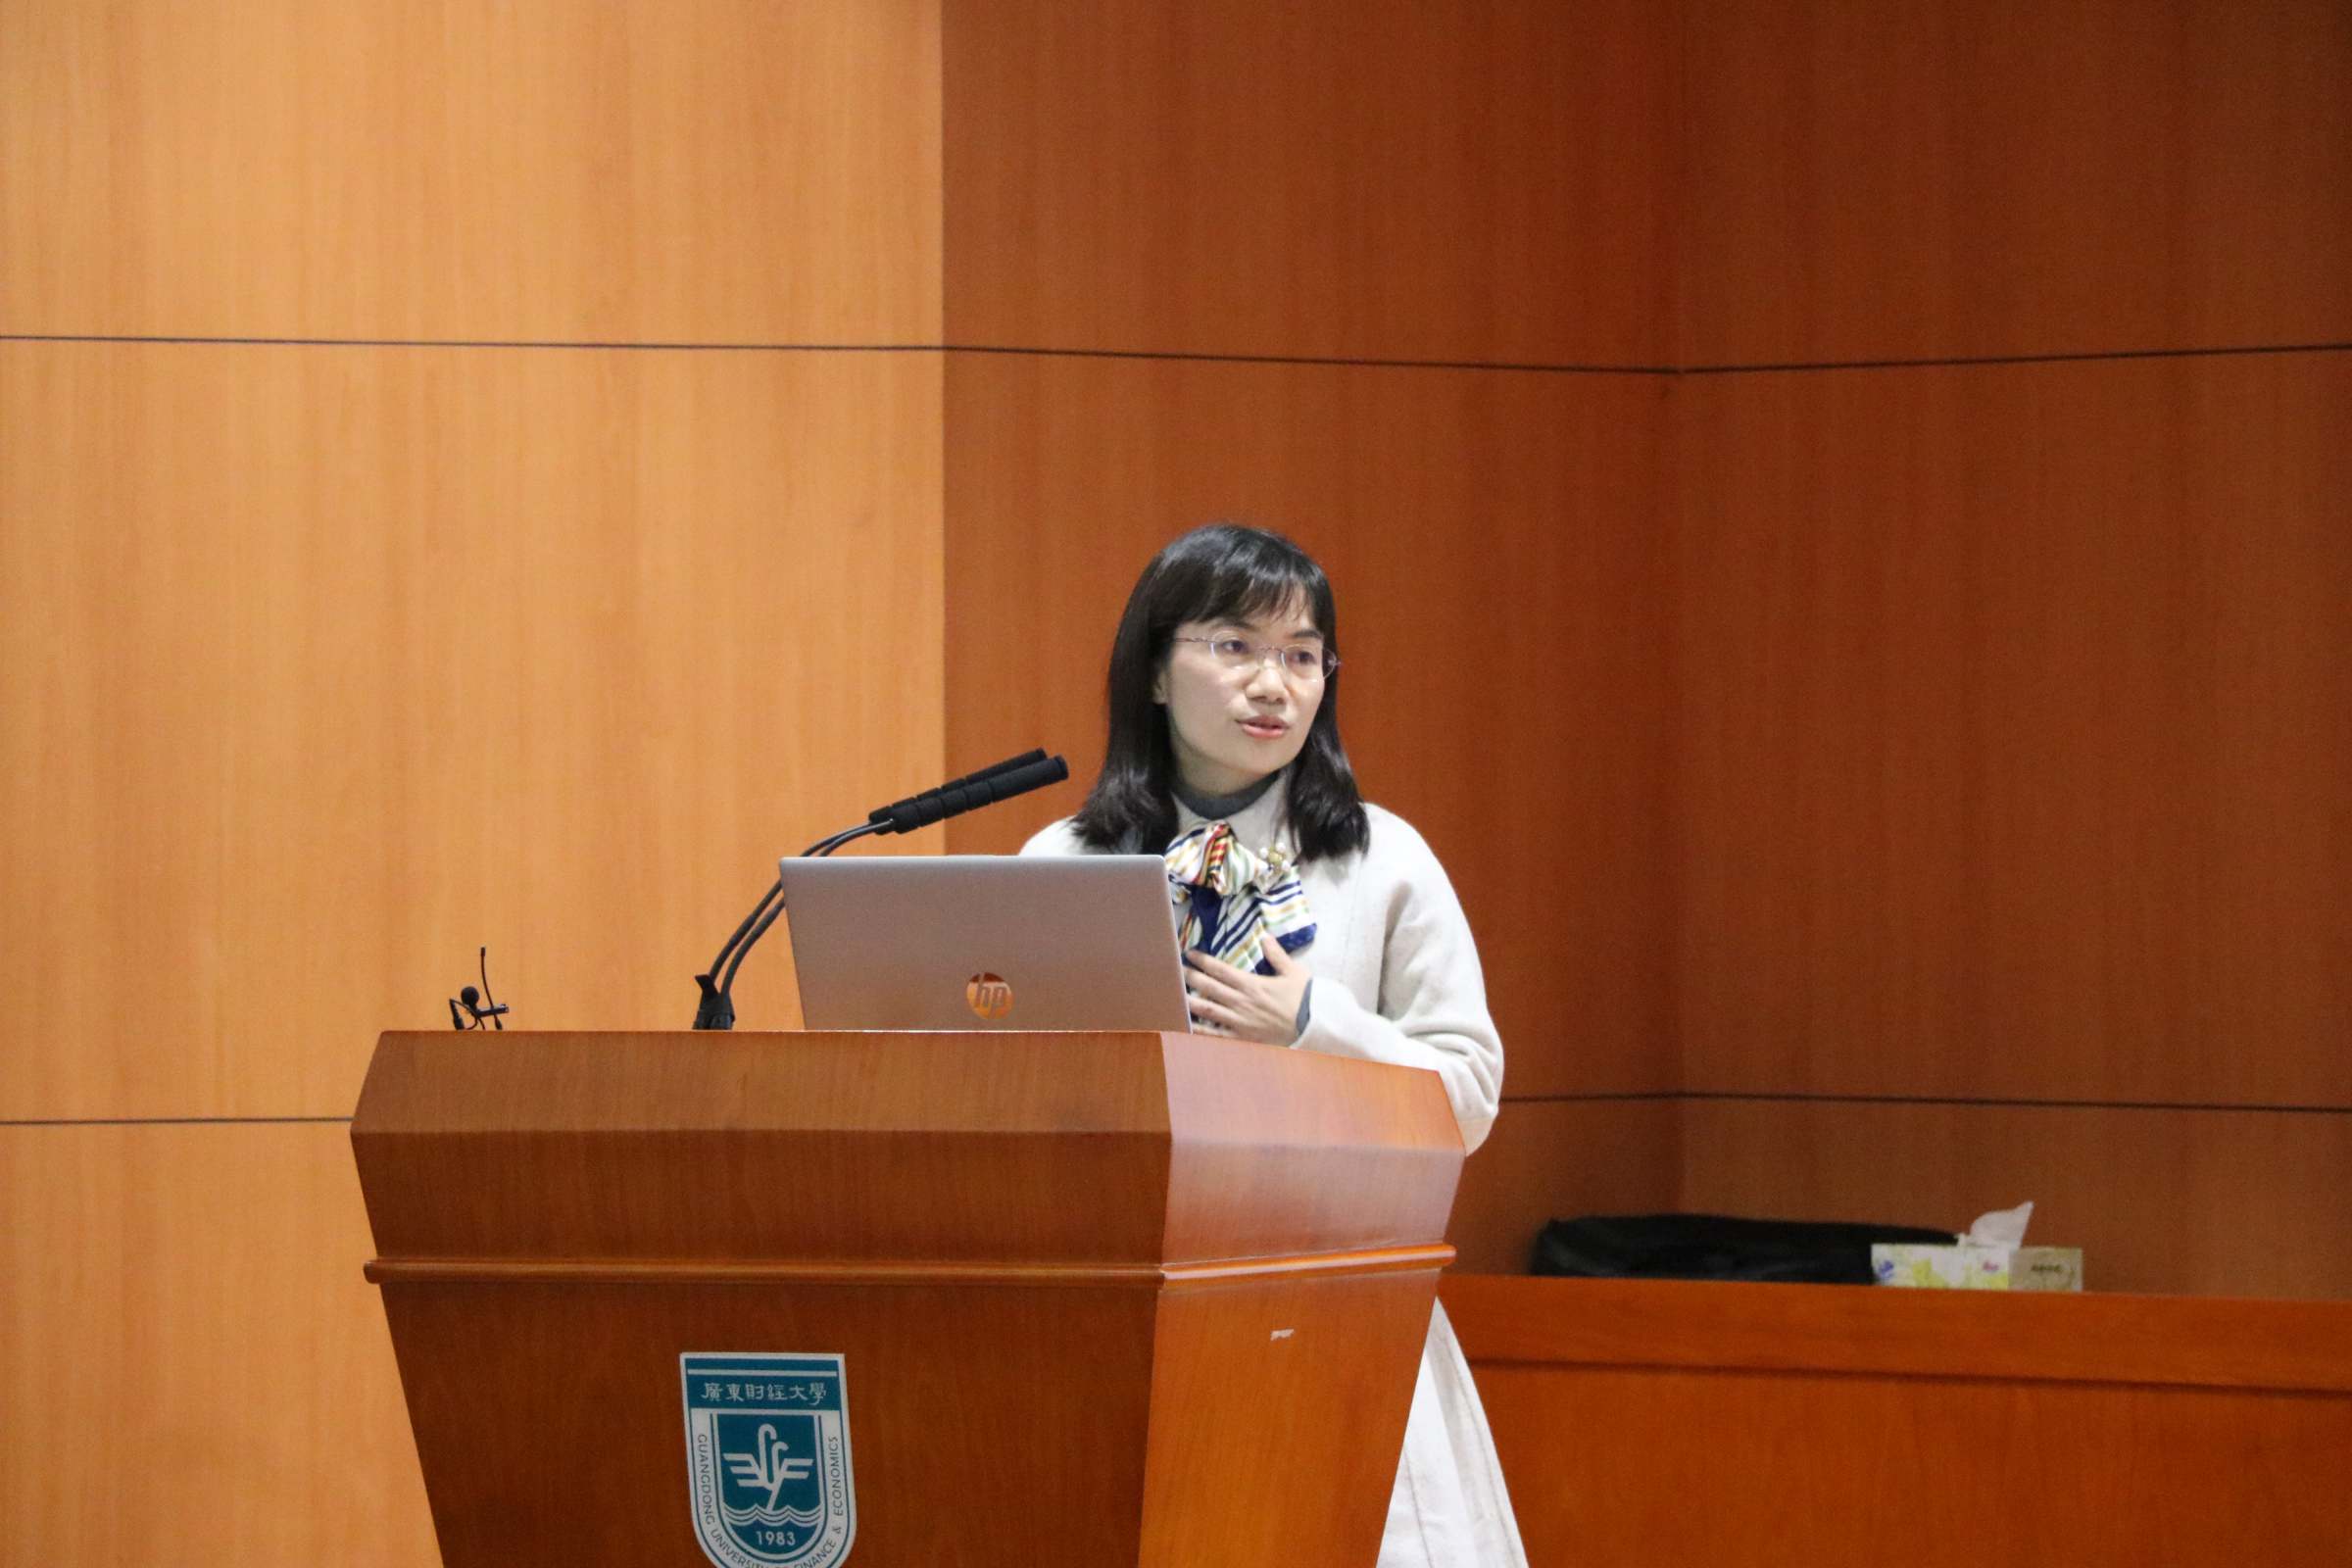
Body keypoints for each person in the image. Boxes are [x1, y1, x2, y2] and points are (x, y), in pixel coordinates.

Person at [1021, 522, 1528, 1568]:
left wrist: (1314, 1025)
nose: (1274, 685)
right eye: (1234, 646)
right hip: (1128, 1309)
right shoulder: (1065, 861)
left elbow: (1470, 1095)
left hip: (1341, 1308)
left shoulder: (1383, 858)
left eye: (1302, 656)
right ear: (1153, 670)